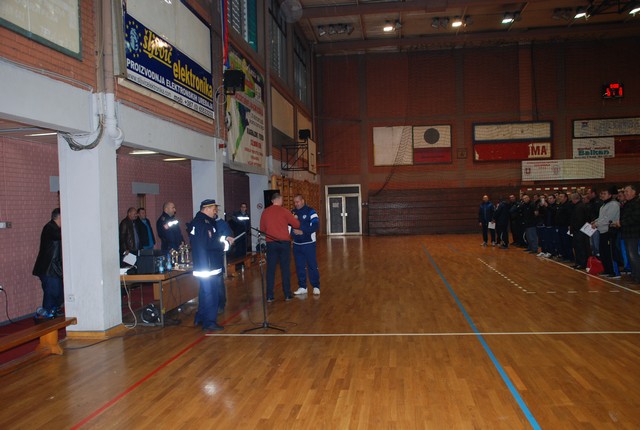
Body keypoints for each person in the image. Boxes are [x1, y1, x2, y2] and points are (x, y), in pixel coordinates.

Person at [188, 199, 234, 331]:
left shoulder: (199, 222)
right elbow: (210, 243)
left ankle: (200, 317)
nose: (215, 212)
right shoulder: (204, 224)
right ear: (206, 209)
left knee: (204, 293)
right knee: (211, 294)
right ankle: (209, 322)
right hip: (208, 265)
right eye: (214, 209)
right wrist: (226, 244)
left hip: (203, 264)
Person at [259, 192, 300, 302]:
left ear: (272, 201)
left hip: (271, 244)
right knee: (285, 269)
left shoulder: (265, 212)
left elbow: (262, 230)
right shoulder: (285, 211)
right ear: (280, 200)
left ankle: (269, 296)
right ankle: (287, 294)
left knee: (270, 270)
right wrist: (294, 217)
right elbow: (296, 225)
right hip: (284, 243)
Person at [32, 208, 63, 318]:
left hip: (53, 268)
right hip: (48, 268)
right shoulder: (49, 228)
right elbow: (58, 236)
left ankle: (52, 311)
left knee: (58, 292)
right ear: (59, 217)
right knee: (52, 292)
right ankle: (47, 314)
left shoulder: (54, 228)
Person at [291, 194, 321, 295]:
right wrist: (292, 233)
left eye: (298, 202)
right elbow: (289, 226)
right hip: (297, 244)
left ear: (303, 201)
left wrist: (303, 232)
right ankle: (302, 287)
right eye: (294, 202)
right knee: (299, 266)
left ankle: (316, 286)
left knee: (312, 265)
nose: (296, 204)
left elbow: (316, 225)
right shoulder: (292, 212)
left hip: (309, 244)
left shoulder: (311, 211)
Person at [592, 186, 621, 279]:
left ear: (610, 195)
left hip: (609, 231)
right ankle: (607, 270)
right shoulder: (604, 205)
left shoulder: (614, 204)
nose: (602, 195)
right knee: (603, 252)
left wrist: (597, 224)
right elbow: (601, 217)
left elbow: (608, 218)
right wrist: (595, 221)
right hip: (602, 231)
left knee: (610, 253)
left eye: (604, 194)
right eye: (601, 194)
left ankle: (614, 272)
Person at [612, 185, 640, 283]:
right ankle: (634, 275)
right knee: (629, 255)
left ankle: (638, 277)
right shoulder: (628, 203)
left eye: (627, 191)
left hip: (634, 233)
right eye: (624, 192)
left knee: (633, 255)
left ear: (634, 192)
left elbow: (635, 218)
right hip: (627, 233)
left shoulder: (637, 203)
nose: (625, 193)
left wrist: (621, 223)